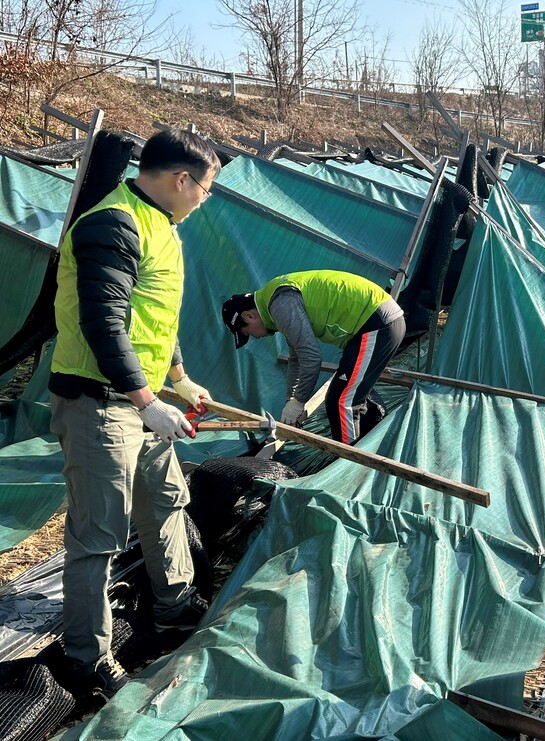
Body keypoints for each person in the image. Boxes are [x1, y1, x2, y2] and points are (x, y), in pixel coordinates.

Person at [49, 129, 221, 699]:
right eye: (205, 189)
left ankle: (174, 604)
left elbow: (155, 314)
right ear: (180, 179)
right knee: (98, 535)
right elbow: (104, 323)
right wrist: (147, 403)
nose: (204, 200)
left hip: (139, 399)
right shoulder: (112, 223)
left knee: (166, 499)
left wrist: (178, 380)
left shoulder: (162, 228)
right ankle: (85, 659)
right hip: (100, 403)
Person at [221, 270, 405, 444]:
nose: (256, 337)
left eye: (248, 333)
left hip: (377, 324)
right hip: (376, 322)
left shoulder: (280, 305)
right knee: (345, 394)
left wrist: (299, 401)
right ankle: (365, 445)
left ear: (249, 315)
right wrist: (291, 401)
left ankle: (349, 465)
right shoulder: (274, 302)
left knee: (341, 401)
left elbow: (311, 357)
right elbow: (296, 358)